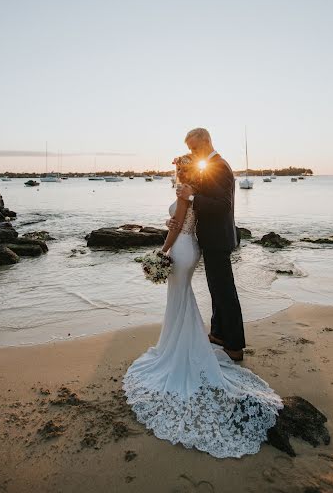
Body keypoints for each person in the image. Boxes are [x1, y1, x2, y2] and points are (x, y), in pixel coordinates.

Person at [122, 152, 283, 458]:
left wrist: (162, 250)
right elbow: (183, 220)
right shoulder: (189, 193)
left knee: (180, 298)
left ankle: (182, 346)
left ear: (181, 173)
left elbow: (178, 225)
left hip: (181, 249)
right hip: (192, 247)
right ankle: (192, 339)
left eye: (176, 170)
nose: (175, 173)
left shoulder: (185, 193)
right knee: (182, 298)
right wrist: (174, 221)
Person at [174, 127, 245, 361]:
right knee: (216, 289)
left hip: (218, 239)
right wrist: (185, 170)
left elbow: (222, 205)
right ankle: (218, 333)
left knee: (225, 292)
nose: (193, 152)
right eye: (190, 149)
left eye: (194, 148)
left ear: (206, 141)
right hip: (213, 238)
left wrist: (191, 198)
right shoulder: (210, 166)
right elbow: (207, 192)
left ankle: (234, 344)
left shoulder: (219, 167)